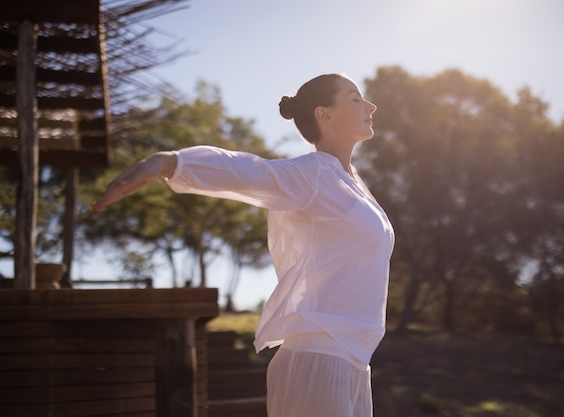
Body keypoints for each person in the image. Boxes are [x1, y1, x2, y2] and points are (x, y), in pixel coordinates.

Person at [93, 73, 395, 417]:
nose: (369, 105)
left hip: (354, 359)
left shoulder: (351, 182)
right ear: (323, 115)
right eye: (355, 98)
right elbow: (251, 172)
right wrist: (170, 163)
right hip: (319, 357)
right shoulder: (314, 174)